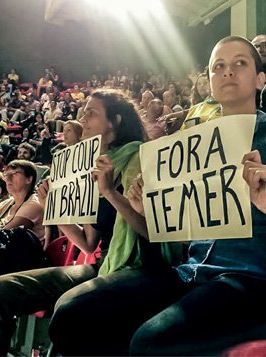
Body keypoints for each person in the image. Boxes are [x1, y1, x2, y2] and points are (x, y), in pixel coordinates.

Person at [48, 36, 266, 356]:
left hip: (249, 279)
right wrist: (147, 209)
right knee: (71, 316)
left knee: (151, 343)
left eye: (240, 64)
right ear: (209, 81)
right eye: (218, 66)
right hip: (188, 272)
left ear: (260, 79)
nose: (228, 72)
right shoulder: (191, 146)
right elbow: (178, 236)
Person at [0, 89, 154, 356]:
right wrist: (51, 206)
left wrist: (110, 192)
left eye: (91, 112)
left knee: (69, 308)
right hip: (102, 264)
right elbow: (88, 244)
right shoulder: (91, 166)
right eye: (83, 111)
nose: (82, 118)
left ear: (115, 121)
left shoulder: (140, 158)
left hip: (139, 266)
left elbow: (152, 232)